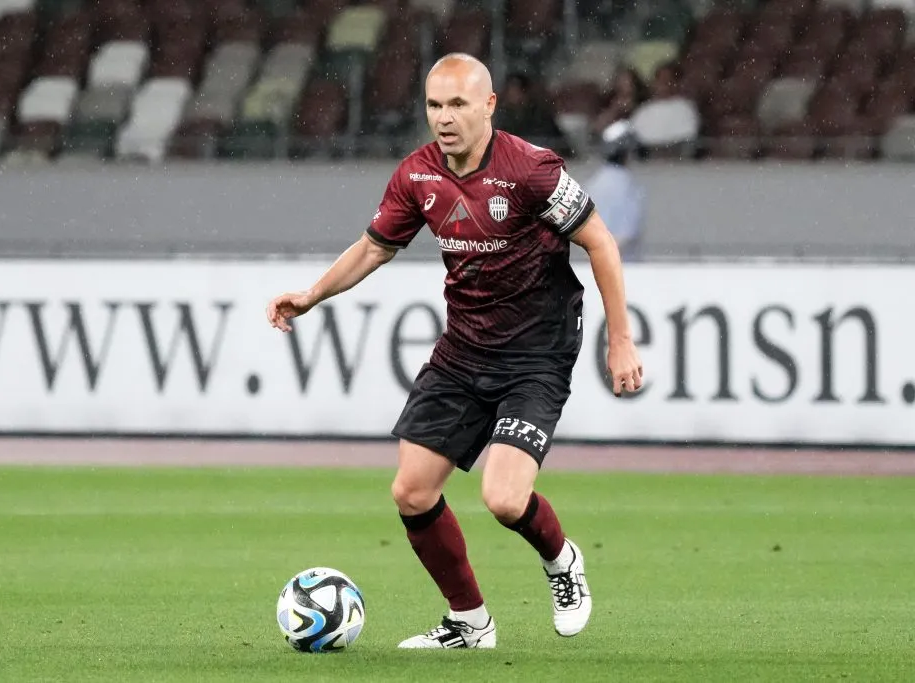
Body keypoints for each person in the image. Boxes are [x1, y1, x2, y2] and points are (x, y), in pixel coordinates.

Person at [266, 53, 643, 649]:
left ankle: (562, 559)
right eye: (435, 106)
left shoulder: (531, 170)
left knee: (503, 498)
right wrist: (311, 296)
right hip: (463, 351)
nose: (445, 118)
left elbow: (600, 242)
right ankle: (469, 622)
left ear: (489, 106)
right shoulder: (416, 175)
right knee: (412, 491)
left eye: (459, 104)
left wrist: (619, 338)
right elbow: (373, 248)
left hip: (536, 356)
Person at [585, 119, 646, 262]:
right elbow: (625, 235)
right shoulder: (629, 187)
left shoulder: (592, 183)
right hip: (622, 269)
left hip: (592, 267)